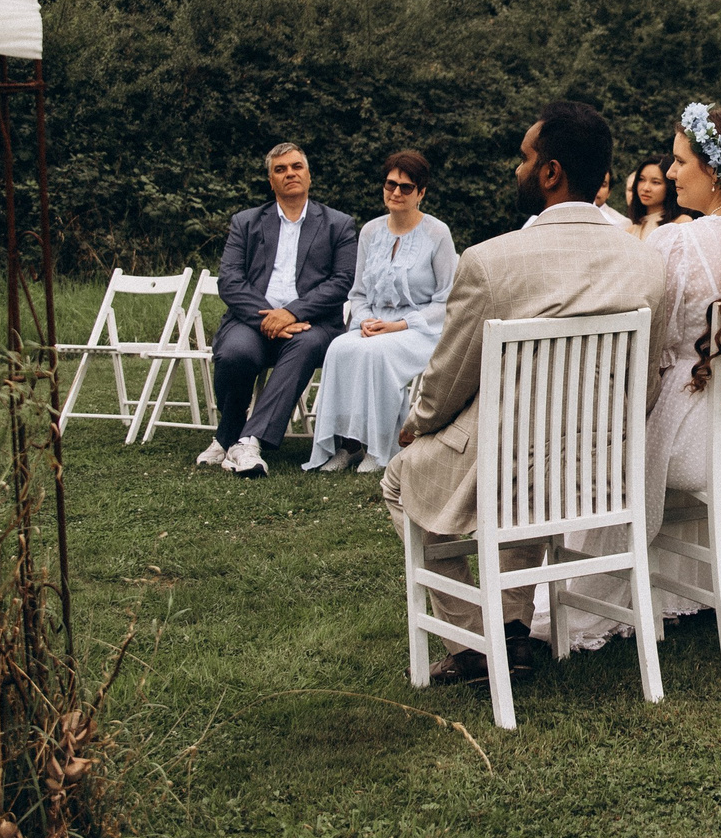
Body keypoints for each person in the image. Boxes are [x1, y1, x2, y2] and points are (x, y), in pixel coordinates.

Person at [382, 102, 667, 686]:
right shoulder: (647, 263)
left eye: (524, 158)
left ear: (551, 171)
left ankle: (479, 637)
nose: (517, 169)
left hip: (512, 469)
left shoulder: (490, 262)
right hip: (596, 469)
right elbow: (646, 384)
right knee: (529, 465)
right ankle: (512, 629)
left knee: (400, 478)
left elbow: (448, 380)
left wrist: (420, 423)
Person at [557, 103, 721, 646]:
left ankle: (577, 600)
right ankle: (692, 587)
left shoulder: (678, 242)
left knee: (609, 444)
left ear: (716, 169)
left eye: (679, 162)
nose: (670, 173)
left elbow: (650, 349)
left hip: (704, 437)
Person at [201, 143, 358, 477]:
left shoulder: (338, 224)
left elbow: (343, 280)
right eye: (280, 169)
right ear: (270, 180)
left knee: (303, 346)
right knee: (234, 352)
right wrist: (270, 316)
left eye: (296, 166)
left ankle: (249, 441)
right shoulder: (246, 222)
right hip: (252, 320)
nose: (290, 174)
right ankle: (228, 433)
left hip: (313, 324)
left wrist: (293, 312)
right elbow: (229, 280)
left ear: (308, 174)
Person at [306, 151, 457, 474]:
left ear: (421, 193)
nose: (396, 193)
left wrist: (398, 325)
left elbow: (446, 301)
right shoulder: (371, 232)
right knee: (340, 348)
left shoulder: (437, 234)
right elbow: (357, 292)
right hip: (372, 325)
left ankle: (379, 447)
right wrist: (365, 321)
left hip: (421, 329)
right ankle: (347, 445)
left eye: (406, 187)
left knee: (377, 355)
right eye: (391, 185)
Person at [625, 159, 684, 239]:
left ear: (669, 186)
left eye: (655, 182)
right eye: (641, 180)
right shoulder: (630, 230)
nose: (645, 188)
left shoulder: (681, 223)